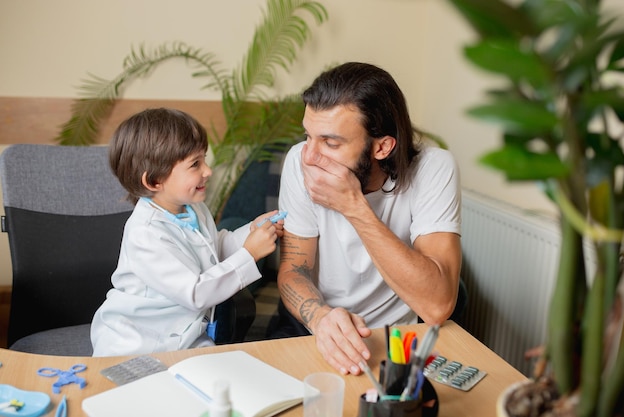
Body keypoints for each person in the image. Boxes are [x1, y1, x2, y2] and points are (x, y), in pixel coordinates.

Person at [270, 62, 462, 376]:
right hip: (315, 325)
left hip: (396, 340)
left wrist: (354, 208)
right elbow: (294, 269)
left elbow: (437, 306)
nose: (310, 156)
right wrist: (321, 319)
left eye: (330, 143)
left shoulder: (434, 168)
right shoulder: (299, 161)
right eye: (308, 136)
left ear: (382, 146)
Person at [91, 107, 284, 356]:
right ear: (154, 181)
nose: (208, 170)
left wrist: (251, 230)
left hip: (185, 336)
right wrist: (250, 254)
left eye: (204, 158)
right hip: (138, 341)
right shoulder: (146, 234)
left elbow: (213, 248)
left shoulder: (193, 208)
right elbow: (195, 292)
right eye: (195, 164)